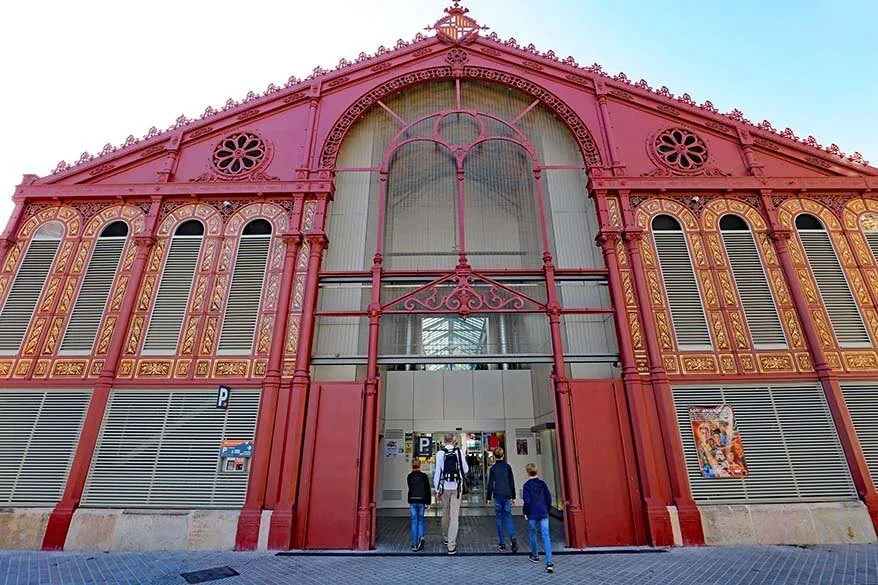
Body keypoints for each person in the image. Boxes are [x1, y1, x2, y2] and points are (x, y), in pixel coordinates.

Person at [434, 433, 469, 555]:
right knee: (454, 516)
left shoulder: (440, 453)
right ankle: (451, 545)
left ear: (444, 440)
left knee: (445, 513)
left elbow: (437, 473)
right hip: (457, 487)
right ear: (453, 440)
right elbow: (466, 469)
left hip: (444, 487)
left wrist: (436, 489)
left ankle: (445, 537)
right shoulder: (459, 452)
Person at [522, 462, 554, 574]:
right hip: (543, 511)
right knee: (546, 535)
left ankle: (535, 555)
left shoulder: (526, 486)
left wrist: (525, 512)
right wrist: (548, 509)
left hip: (532, 513)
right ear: (537, 471)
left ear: (527, 472)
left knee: (532, 533)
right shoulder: (543, 484)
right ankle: (549, 562)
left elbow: (527, 501)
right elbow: (548, 498)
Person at [486, 447, 518, 553]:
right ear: (503, 455)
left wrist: (488, 497)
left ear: (494, 457)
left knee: (499, 518)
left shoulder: (493, 469)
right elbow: (511, 482)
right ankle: (513, 538)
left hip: (497, 494)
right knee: (508, 517)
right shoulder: (508, 467)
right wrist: (513, 496)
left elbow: (490, 484)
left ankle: (502, 543)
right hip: (507, 494)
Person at [407, 459, 431, 552]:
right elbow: (427, 490)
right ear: (420, 465)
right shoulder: (424, 476)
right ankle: (421, 537)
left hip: (412, 500)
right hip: (421, 501)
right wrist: (428, 502)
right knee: (421, 520)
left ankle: (414, 544)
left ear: (412, 466)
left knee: (414, 522)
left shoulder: (409, 476)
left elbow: (410, 487)